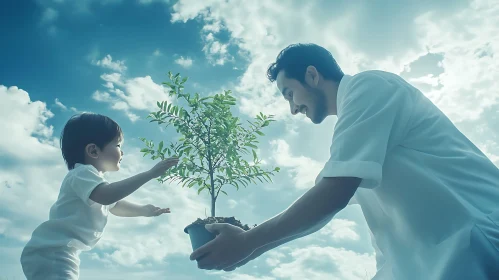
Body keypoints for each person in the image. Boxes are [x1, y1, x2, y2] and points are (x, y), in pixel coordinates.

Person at [189, 43, 499, 279]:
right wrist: (248, 247)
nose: (293, 108)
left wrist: (247, 243)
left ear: (312, 75)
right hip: (434, 263)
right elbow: (320, 208)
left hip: (478, 242)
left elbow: (332, 194)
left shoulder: (372, 86)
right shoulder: (354, 131)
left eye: (289, 93)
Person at [20, 113, 179, 280]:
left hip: (62, 250)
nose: (122, 152)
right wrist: (150, 174)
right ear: (93, 150)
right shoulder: (82, 173)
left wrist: (143, 210)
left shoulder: (93, 183)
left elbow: (115, 205)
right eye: (118, 145)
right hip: (53, 250)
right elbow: (108, 196)